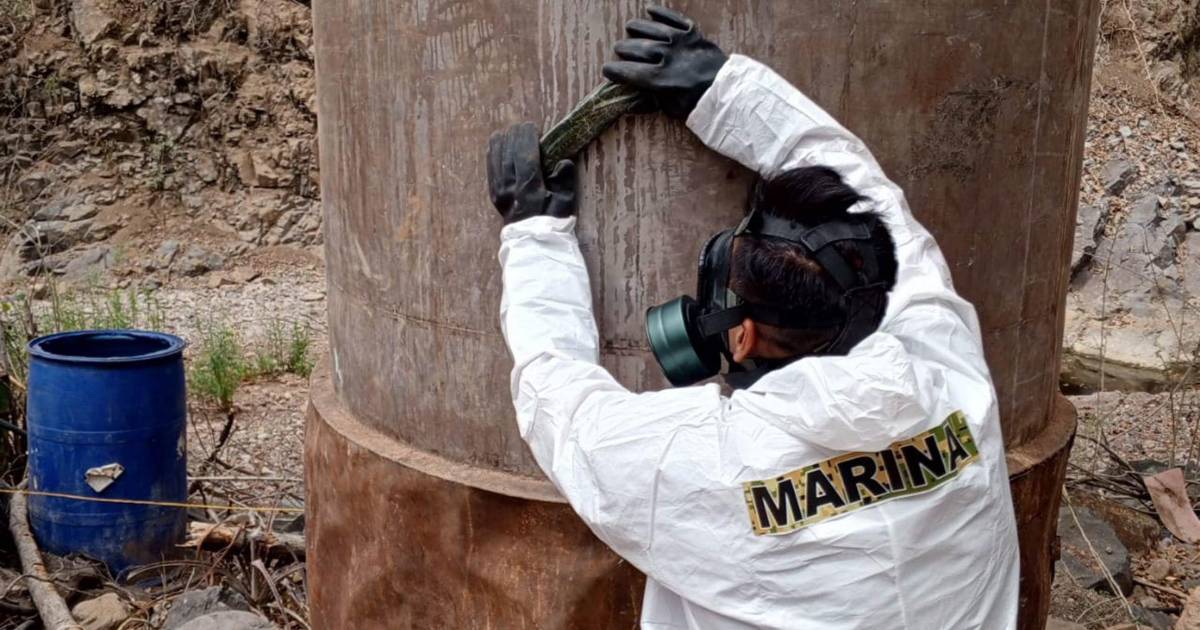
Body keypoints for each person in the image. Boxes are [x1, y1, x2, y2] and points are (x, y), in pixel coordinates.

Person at [486, 6, 1018, 629]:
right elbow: (877, 208)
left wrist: (534, 233)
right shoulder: (949, 369)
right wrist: (723, 88)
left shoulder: (698, 462)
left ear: (741, 335)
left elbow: (556, 394)